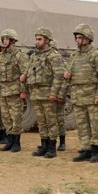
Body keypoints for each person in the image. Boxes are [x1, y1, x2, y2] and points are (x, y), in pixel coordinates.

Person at [65, 24, 98, 163]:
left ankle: (95, 151)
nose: (77, 40)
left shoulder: (96, 54)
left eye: (79, 37)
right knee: (82, 124)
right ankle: (85, 149)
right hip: (78, 96)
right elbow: (69, 73)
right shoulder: (74, 55)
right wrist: (68, 75)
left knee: (94, 124)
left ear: (87, 38)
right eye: (76, 37)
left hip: (92, 95)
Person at [21, 27, 65, 158]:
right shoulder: (34, 56)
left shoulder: (53, 56)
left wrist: (54, 93)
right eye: (36, 39)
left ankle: (52, 147)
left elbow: (59, 76)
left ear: (47, 40)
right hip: (35, 93)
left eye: (39, 39)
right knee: (41, 121)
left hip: (47, 94)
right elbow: (27, 72)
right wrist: (24, 82)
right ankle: (44, 145)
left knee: (51, 121)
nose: (37, 42)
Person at [0, 29, 28, 152]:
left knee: (15, 117)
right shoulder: (0, 56)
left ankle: (16, 142)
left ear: (12, 40)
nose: (4, 41)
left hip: (14, 91)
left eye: (7, 39)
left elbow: (24, 74)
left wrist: (23, 91)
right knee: (6, 117)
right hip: (3, 91)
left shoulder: (19, 55)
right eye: (3, 39)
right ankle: (9, 140)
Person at [50, 40, 68, 151]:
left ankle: (62, 142)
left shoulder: (63, 63)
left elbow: (65, 81)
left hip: (59, 95)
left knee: (59, 119)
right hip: (49, 94)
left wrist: (61, 95)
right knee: (49, 120)